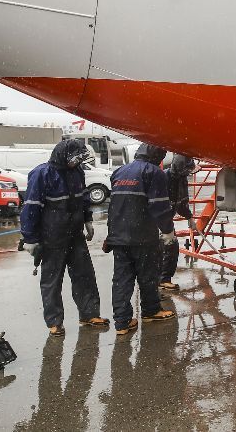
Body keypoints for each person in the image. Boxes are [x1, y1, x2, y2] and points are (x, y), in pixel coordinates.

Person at [20, 138, 108, 336]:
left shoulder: (77, 172)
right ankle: (54, 322)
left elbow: (83, 198)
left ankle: (89, 315)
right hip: (52, 237)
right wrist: (30, 238)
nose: (77, 162)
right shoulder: (42, 174)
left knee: (84, 276)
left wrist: (88, 220)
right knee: (52, 281)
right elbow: (31, 207)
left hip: (75, 235)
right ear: (64, 156)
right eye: (75, 158)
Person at [105, 143, 176, 335]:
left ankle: (122, 322)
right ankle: (151, 311)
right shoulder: (154, 173)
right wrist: (168, 230)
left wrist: (111, 234)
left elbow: (114, 207)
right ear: (157, 155)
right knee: (148, 276)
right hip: (142, 236)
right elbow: (159, 206)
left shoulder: (119, 172)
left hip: (119, 237)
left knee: (121, 280)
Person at [159, 154, 196, 291]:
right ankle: (157, 280)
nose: (188, 173)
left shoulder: (182, 179)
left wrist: (189, 217)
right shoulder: (162, 178)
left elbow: (181, 203)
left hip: (167, 219)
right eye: (186, 170)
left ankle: (164, 280)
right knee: (160, 249)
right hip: (156, 219)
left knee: (171, 249)